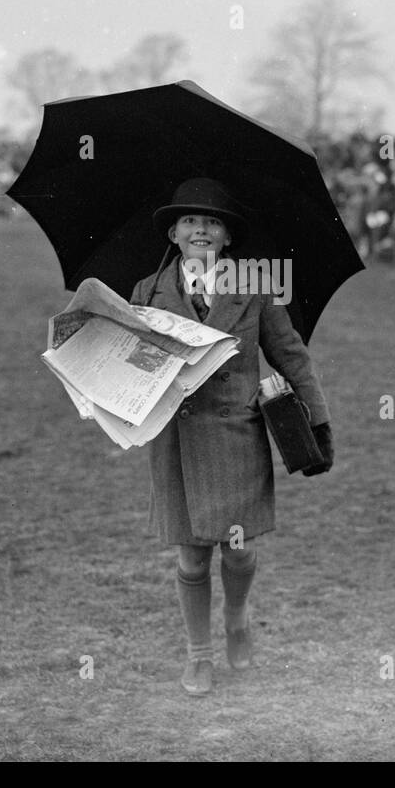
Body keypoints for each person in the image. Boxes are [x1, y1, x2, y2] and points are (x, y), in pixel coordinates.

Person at [129, 178, 334, 697]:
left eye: (212, 222)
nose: (201, 229)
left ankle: (237, 617)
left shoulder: (254, 289)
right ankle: (199, 654)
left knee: (238, 551)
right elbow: (129, 366)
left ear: (225, 238)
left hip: (237, 436)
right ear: (173, 233)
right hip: (175, 440)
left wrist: (318, 423)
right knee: (192, 557)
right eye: (191, 221)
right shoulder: (144, 294)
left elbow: (291, 356)